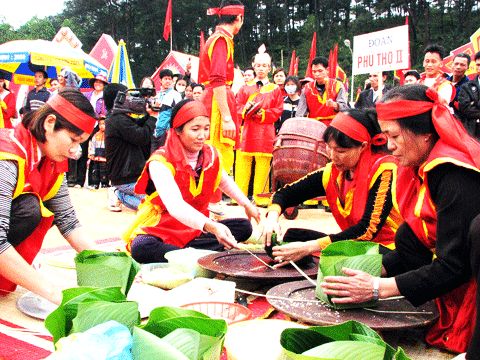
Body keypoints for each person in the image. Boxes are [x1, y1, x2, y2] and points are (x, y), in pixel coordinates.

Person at [321, 84, 480, 357]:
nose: (389, 146)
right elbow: (416, 240)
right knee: (408, 233)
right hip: (447, 263)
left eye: (394, 136)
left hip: (469, 273)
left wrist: (375, 288)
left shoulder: (456, 175)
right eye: (384, 136)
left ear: (426, 134)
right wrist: (367, 272)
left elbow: (455, 264)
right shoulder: (415, 168)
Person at [123, 99, 260, 263]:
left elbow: (224, 181)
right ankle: (201, 256)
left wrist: (247, 204)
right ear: (178, 130)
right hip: (164, 226)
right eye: (195, 129)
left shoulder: (210, 154)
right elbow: (176, 207)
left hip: (197, 227)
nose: (202, 136)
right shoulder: (160, 162)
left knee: (244, 226)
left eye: (206, 129)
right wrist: (213, 226)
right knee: (142, 247)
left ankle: (188, 255)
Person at [262, 109, 401, 264]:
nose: (332, 156)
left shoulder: (384, 169)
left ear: (363, 146)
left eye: (340, 151)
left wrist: (309, 247)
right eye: (329, 147)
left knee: (360, 260)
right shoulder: (332, 173)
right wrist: (272, 217)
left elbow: (367, 230)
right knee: (289, 239)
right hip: (352, 245)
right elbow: (286, 194)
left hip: (387, 248)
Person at [0, 88, 98, 304]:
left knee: (30, 209)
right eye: (73, 139)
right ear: (49, 123)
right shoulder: (6, 158)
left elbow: (68, 221)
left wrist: (108, 263)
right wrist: (53, 294)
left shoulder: (51, 160)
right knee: (29, 209)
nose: (75, 150)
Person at [199, 0, 245, 178]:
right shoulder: (221, 41)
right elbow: (217, 79)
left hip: (215, 96)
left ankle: (213, 199)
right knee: (218, 151)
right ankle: (213, 200)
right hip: (217, 100)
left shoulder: (218, 39)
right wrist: (226, 117)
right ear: (239, 18)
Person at [235, 51, 283, 206]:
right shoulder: (244, 88)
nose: (261, 68)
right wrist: (246, 109)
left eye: (264, 66)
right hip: (248, 131)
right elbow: (237, 107)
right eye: (258, 65)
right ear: (253, 67)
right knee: (243, 163)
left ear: (269, 68)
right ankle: (239, 197)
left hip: (265, 132)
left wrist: (263, 114)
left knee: (263, 164)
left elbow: (278, 110)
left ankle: (261, 197)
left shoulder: (275, 89)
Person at [104, 83, 156, 212]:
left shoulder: (117, 118)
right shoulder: (117, 119)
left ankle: (120, 193)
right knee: (152, 207)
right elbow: (141, 136)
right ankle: (119, 194)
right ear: (119, 99)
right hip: (125, 177)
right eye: (127, 96)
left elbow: (135, 127)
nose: (130, 99)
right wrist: (153, 118)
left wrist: (148, 116)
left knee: (156, 200)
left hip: (129, 175)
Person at [296, 56, 349, 125]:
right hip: (314, 125)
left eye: (320, 71)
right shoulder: (307, 88)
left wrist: (335, 105)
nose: (317, 74)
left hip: (334, 125)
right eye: (314, 71)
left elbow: (345, 107)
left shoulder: (338, 85)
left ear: (327, 70)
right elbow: (300, 112)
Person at [151, 69, 182, 153]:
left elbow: (178, 113)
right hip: (155, 132)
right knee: (152, 157)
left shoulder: (175, 95)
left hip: (166, 133)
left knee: (163, 158)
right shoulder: (157, 95)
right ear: (160, 80)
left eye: (169, 79)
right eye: (165, 79)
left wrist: (169, 129)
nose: (168, 81)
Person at [458, 51, 480, 139]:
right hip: (473, 133)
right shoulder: (467, 87)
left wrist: (475, 104)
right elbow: (464, 108)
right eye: (478, 65)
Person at [87, 118, 108, 189]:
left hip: (105, 156)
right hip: (96, 156)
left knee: (104, 170)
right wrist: (92, 153)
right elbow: (92, 145)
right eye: (100, 124)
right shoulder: (96, 135)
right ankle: (95, 183)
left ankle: (104, 183)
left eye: (104, 124)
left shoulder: (108, 135)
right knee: (96, 170)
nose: (102, 126)